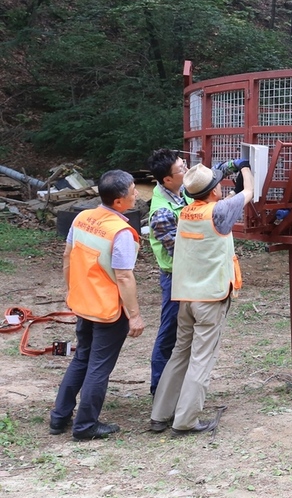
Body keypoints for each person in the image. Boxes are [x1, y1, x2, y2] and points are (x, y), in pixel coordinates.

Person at [149, 160, 253, 435]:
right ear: (215, 191)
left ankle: (160, 414)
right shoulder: (219, 211)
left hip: (186, 297)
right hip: (211, 297)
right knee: (201, 360)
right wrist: (245, 168)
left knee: (179, 354)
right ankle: (186, 421)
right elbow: (249, 192)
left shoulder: (185, 211)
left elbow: (226, 202)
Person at [49, 170, 145, 441]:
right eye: (133, 190)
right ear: (118, 201)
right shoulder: (121, 232)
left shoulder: (81, 218)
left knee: (82, 358)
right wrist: (134, 316)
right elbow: (124, 276)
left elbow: (68, 256)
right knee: (99, 366)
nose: (136, 194)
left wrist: (71, 292)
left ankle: (59, 417)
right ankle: (85, 425)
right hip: (108, 311)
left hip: (83, 303)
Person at [146, 149, 189, 395]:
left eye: (184, 165)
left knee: (184, 333)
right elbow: (179, 251)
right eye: (181, 169)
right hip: (175, 278)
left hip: (186, 275)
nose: (186, 170)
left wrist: (234, 166)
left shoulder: (180, 192)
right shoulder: (162, 212)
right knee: (169, 334)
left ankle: (176, 388)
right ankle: (159, 390)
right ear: (167, 180)